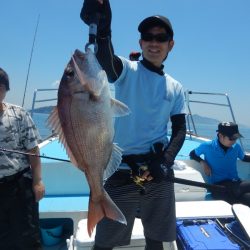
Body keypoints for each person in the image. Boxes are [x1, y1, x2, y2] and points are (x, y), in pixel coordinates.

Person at [81, 1, 186, 249]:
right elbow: (105, 61)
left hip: (157, 169)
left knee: (156, 238)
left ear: (170, 44)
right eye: (148, 37)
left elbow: (180, 129)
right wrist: (104, 29)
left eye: (161, 38)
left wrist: (165, 160)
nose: (154, 42)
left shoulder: (176, 87)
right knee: (106, 241)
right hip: (120, 170)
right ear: (140, 43)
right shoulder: (127, 69)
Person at [0, 67, 45, 250]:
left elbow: (33, 150)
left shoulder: (19, 114)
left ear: (5, 89)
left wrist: (38, 181)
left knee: (28, 234)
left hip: (19, 184)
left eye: (0, 87)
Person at [190, 122, 250, 206]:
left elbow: (243, 158)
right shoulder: (207, 146)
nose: (234, 141)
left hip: (236, 183)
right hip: (218, 186)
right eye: (231, 138)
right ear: (221, 135)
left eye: (236, 138)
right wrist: (203, 162)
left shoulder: (236, 147)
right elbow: (192, 154)